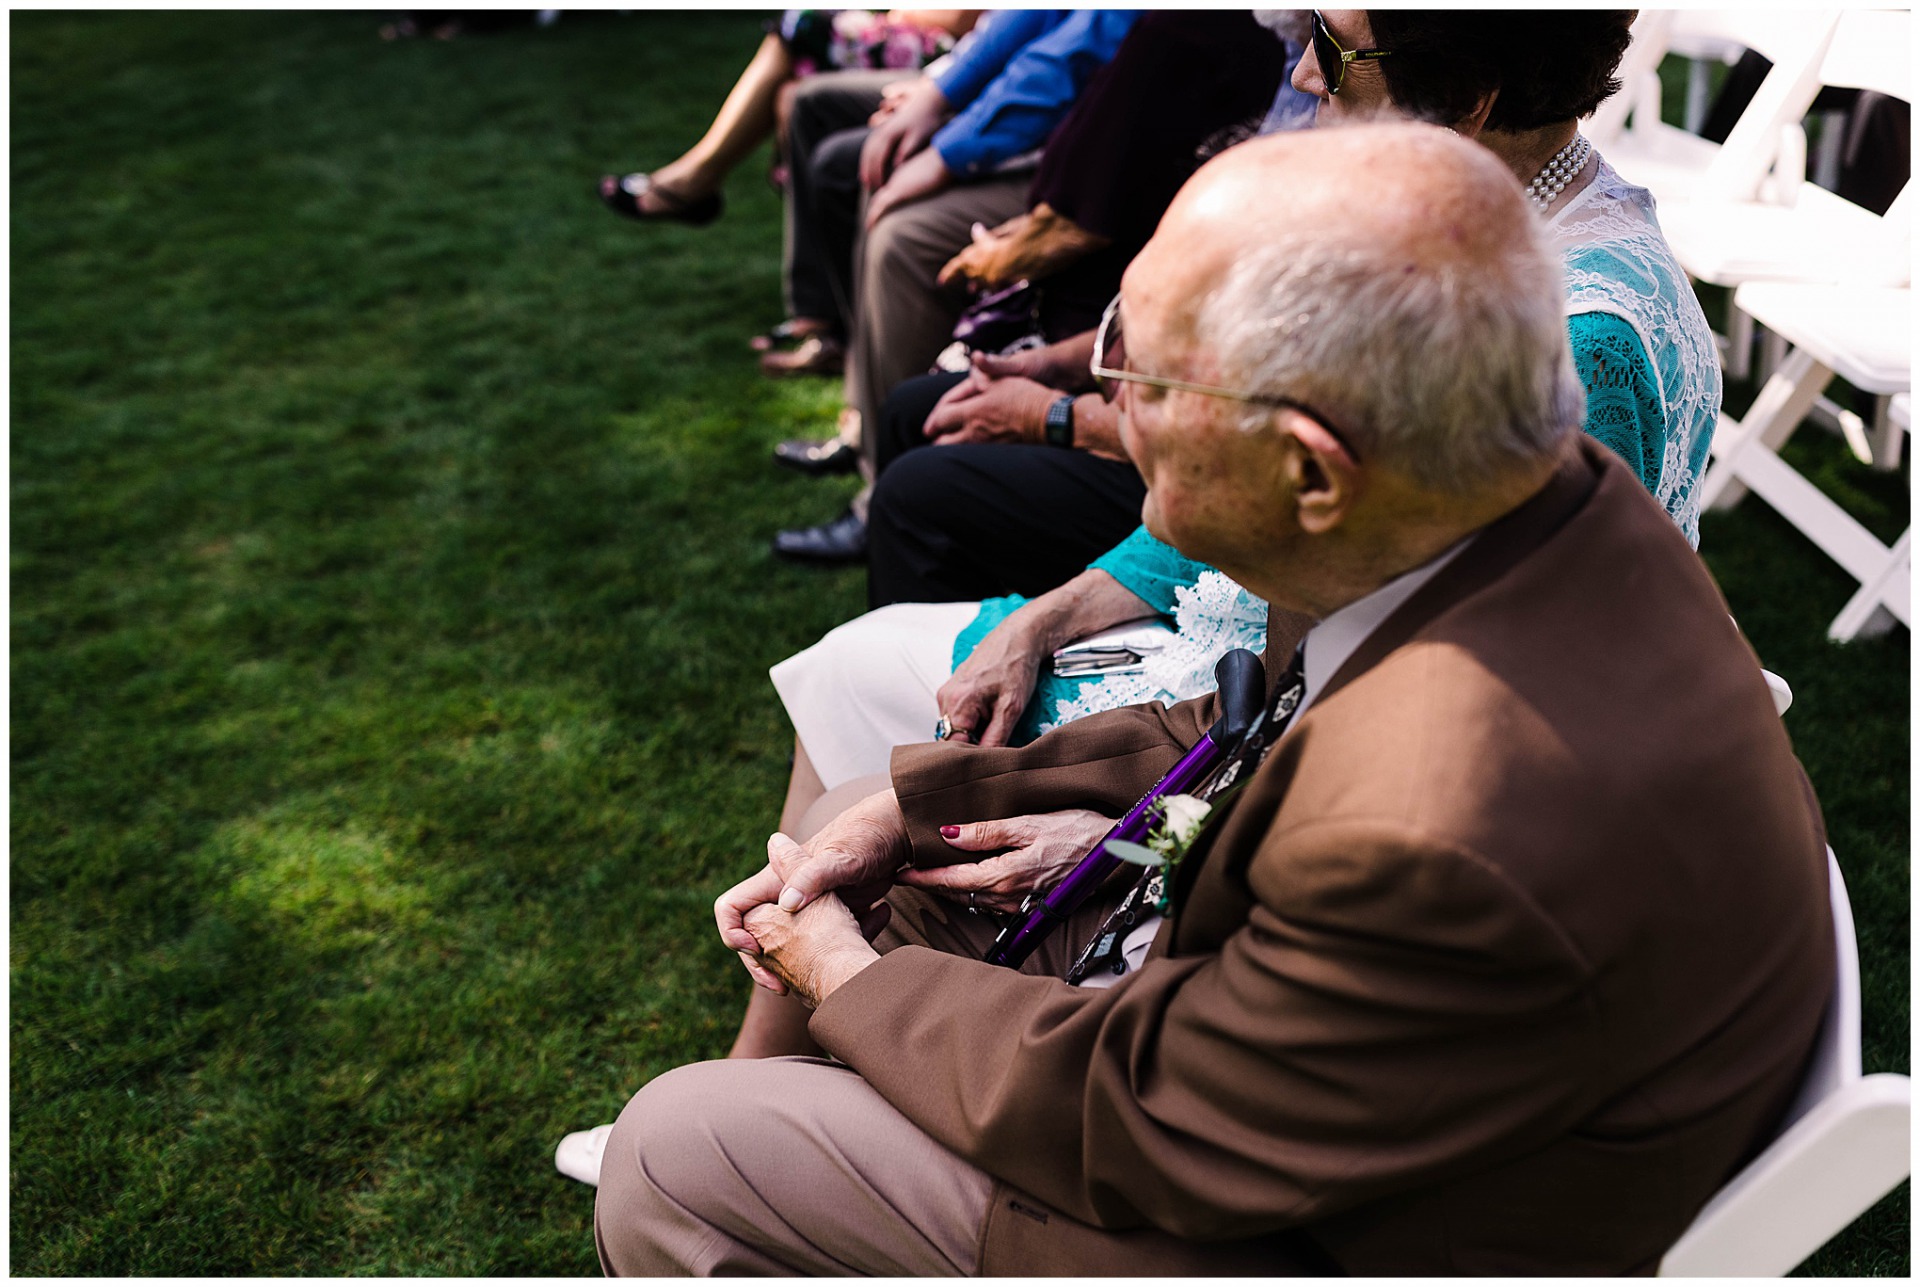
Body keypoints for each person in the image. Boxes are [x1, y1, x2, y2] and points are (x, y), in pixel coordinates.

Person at [593, 123, 1833, 1275]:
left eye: (1148, 377)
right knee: (863, 838)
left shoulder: (1436, 829)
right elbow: (1253, 734)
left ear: (1309, 467)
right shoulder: (1509, 516)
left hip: (1323, 1232)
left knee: (679, 1150)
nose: (1111, 411)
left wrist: (848, 983)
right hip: (1348, 1100)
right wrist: (923, 816)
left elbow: (1155, 1129)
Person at [769, 7, 1725, 791]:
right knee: (859, 678)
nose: (1304, 75)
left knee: (862, 708)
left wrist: (1167, 820)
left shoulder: (1569, 345)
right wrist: (1044, 618)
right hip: (1249, 665)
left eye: (1333, 48)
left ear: (1467, 104)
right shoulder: (1461, 224)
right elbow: (1232, 490)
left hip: (1293, 746)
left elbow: (1491, 714)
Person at [769, 8, 1143, 562]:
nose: (1309, 71)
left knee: (900, 232)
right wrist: (940, 91)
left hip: (1072, 149)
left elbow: (1075, 54)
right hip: (1048, 128)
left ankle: (885, 488)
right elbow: (1027, 25)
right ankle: (867, 425)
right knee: (835, 132)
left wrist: (951, 138)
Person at [596, 10, 973, 227]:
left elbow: (965, 15)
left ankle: (700, 175)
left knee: (803, 30)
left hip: (958, 56)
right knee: (792, 95)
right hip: (942, 50)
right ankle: (818, 315)